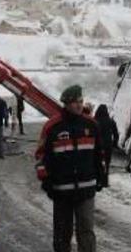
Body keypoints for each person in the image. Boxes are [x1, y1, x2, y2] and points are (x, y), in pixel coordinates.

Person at [36, 85, 106, 252]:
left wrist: (102, 175)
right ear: (66, 104)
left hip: (86, 189)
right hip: (61, 191)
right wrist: (46, 180)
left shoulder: (92, 125)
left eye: (81, 101)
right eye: (75, 102)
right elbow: (40, 156)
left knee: (86, 232)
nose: (79, 105)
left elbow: (100, 154)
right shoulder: (52, 127)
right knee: (62, 233)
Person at [93, 105, 119, 187]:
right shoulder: (111, 121)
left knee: (95, 162)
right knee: (106, 164)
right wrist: (114, 144)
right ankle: (104, 182)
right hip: (108, 146)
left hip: (96, 145)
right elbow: (116, 134)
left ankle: (95, 180)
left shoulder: (94, 121)